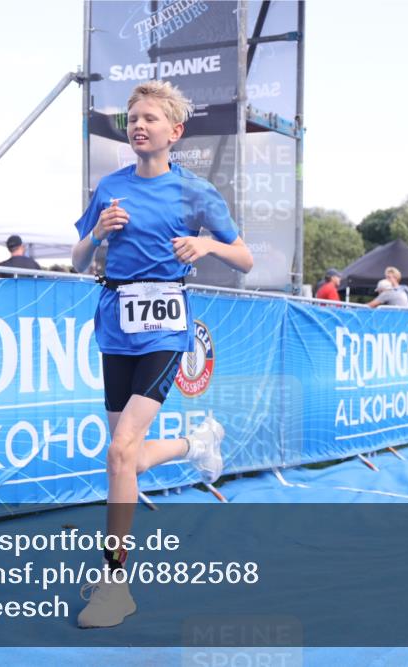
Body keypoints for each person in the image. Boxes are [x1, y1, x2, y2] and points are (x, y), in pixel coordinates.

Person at [70, 80, 253, 628]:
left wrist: (208, 245)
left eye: (149, 118)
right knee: (122, 455)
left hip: (165, 331)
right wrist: (97, 233)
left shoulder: (195, 192)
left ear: (175, 132)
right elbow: (79, 261)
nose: (138, 126)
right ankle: (195, 443)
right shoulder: (110, 188)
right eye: (132, 119)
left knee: (122, 451)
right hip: (115, 324)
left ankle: (114, 581)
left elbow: (243, 258)